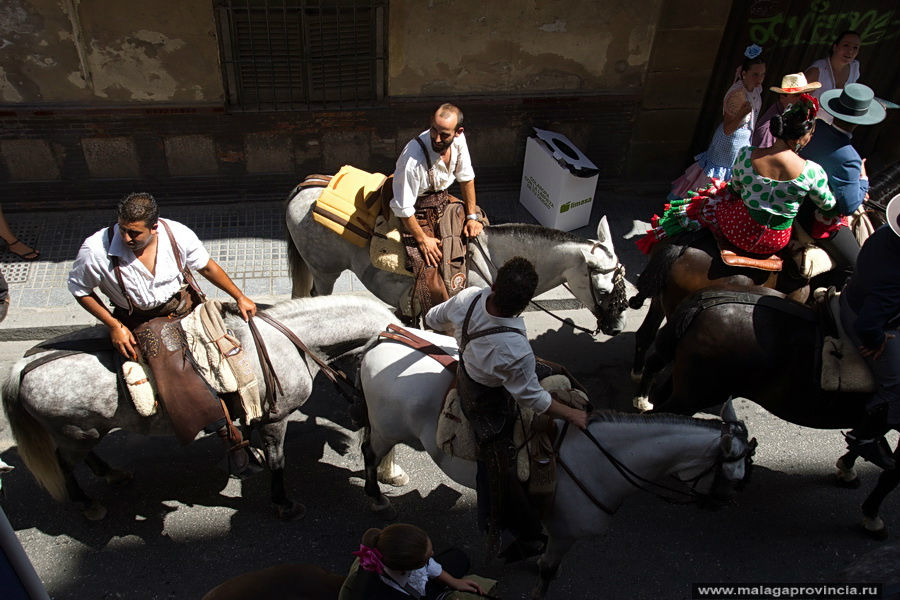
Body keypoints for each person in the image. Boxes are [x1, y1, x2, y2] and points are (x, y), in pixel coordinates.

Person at [67, 192, 257, 472]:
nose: (127, 238)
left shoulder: (177, 233)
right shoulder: (94, 251)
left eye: (134, 233)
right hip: (144, 321)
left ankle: (251, 411)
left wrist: (239, 296)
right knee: (179, 370)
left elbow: (205, 266)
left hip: (186, 305)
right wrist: (114, 325)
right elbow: (80, 290)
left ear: (154, 227)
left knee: (233, 350)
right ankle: (228, 436)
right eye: (122, 230)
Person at [425, 257, 588, 557]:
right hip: (485, 402)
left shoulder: (469, 296)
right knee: (499, 465)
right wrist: (572, 414)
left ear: (495, 285)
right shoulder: (517, 350)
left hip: (469, 370)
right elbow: (531, 399)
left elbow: (433, 318)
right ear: (525, 304)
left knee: (556, 371)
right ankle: (503, 526)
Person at [639, 95, 839, 256]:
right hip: (775, 241)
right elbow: (828, 206)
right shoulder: (813, 171)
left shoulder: (747, 154)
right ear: (803, 136)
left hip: (738, 230)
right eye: (811, 134)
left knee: (702, 202)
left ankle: (660, 239)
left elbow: (735, 189)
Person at [391, 103, 484, 313]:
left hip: (443, 201)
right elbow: (403, 207)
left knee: (479, 234)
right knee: (431, 272)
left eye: (444, 134)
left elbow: (466, 177)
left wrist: (472, 216)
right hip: (418, 211)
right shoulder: (411, 159)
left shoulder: (459, 142)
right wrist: (422, 240)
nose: (437, 138)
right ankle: (435, 317)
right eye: (433, 130)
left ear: (458, 132)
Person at [798, 83, 887, 276]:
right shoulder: (850, 158)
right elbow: (849, 206)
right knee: (856, 267)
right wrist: (863, 181)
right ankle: (826, 301)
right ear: (860, 121)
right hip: (813, 214)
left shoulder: (816, 127)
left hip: (794, 197)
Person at [839, 193, 900, 471]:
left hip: (852, 295)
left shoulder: (886, 232)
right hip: (866, 320)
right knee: (896, 388)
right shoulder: (895, 274)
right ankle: (863, 437)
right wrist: (876, 340)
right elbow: (868, 324)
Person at [670, 44, 765, 198]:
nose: (759, 79)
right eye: (755, 74)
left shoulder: (755, 89)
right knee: (717, 180)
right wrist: (742, 114)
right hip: (729, 144)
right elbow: (728, 129)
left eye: (762, 74)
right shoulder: (737, 94)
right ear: (744, 73)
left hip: (743, 141)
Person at [344, 524, 485, 599]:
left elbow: (429, 566)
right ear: (406, 569)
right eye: (426, 558)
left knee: (459, 557)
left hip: (412, 588)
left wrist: (453, 581)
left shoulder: (388, 551)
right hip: (409, 594)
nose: (433, 554)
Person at [805, 30, 861, 125]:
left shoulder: (854, 67)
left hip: (835, 126)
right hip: (811, 126)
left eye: (855, 48)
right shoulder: (817, 71)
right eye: (846, 45)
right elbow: (797, 102)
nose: (850, 51)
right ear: (835, 47)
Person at [751, 72, 820, 149]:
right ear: (782, 97)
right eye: (797, 95)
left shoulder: (789, 118)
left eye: (805, 93)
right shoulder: (768, 128)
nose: (803, 98)